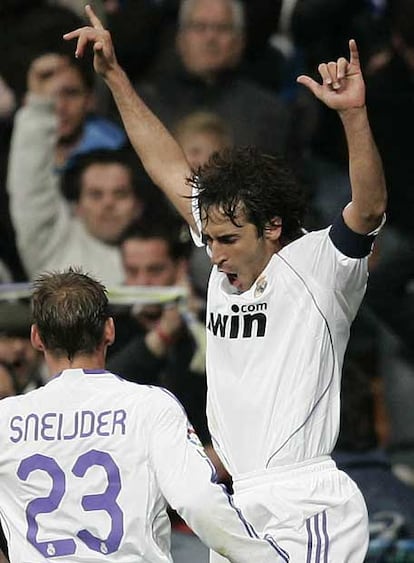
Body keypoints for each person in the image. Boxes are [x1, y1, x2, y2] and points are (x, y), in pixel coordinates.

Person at [65, 7, 387, 560]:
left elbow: (370, 207)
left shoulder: (318, 266)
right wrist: (115, 76)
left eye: (227, 240)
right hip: (236, 508)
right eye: (207, 238)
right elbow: (166, 164)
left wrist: (353, 116)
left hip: (303, 503)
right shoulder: (223, 243)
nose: (212, 253)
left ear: (273, 228)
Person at [0, 269, 283, 562]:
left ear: (36, 337)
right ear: (109, 330)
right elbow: (197, 502)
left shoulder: (5, 420)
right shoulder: (150, 407)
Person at [136, 0, 290, 155]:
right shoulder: (144, 105)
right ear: (180, 39)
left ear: (240, 41)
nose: (210, 38)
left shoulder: (268, 114)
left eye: (222, 28)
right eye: (199, 27)